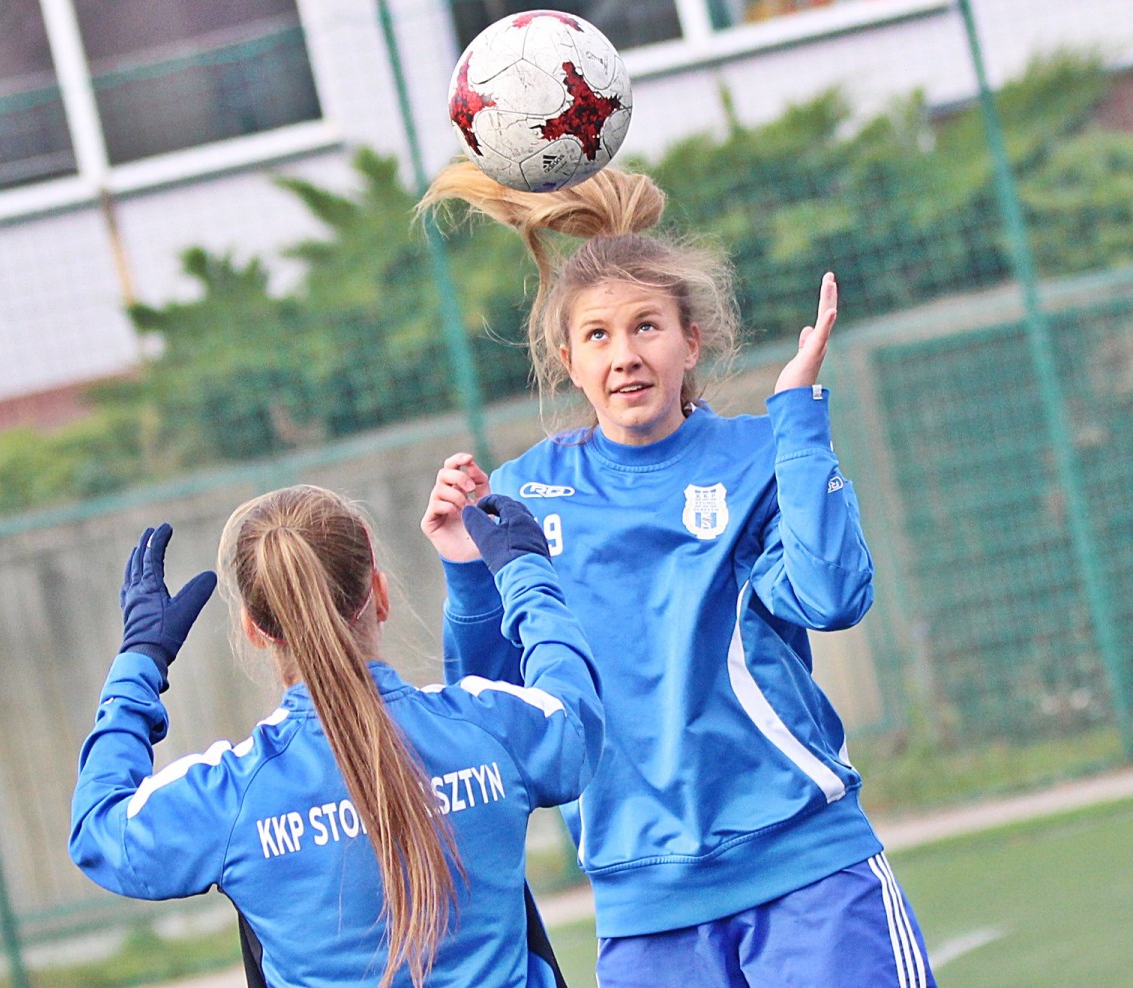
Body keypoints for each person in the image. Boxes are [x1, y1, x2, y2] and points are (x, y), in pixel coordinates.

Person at [419, 162, 937, 987]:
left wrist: (799, 422)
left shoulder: (757, 457)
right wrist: (468, 572)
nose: (625, 355)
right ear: (569, 360)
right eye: (599, 336)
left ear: (690, 342)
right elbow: (493, 711)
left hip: (807, 870)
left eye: (647, 327)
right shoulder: (525, 493)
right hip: (646, 910)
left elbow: (834, 597)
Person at [69, 486, 604, 988]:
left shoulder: (233, 795)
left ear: (255, 631)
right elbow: (575, 719)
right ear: (380, 594)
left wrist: (140, 659)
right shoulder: (487, 728)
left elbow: (99, 831)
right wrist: (525, 575)